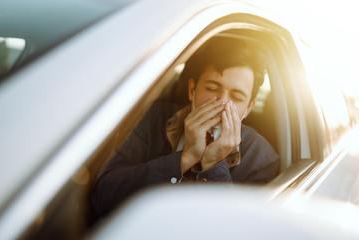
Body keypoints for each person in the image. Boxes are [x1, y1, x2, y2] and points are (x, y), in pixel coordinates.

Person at [91, 37, 279, 217]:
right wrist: (184, 158)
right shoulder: (150, 119)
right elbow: (103, 198)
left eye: (237, 98)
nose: (222, 103)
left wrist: (214, 164)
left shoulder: (262, 160)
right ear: (192, 90)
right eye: (212, 89)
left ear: (248, 108)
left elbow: (234, 229)